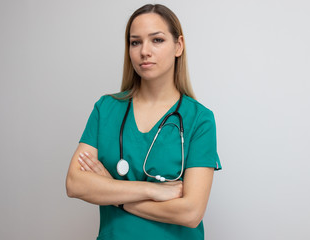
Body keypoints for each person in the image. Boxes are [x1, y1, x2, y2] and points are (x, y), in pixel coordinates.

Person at [66, 4, 221, 240]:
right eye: (135, 42)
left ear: (178, 46)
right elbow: (75, 183)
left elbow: (190, 212)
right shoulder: (106, 109)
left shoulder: (199, 119)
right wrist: (152, 190)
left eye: (157, 40)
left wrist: (115, 194)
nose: (144, 51)